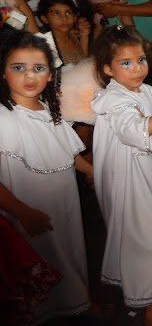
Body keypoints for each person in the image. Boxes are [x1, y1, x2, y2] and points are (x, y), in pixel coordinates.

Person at [0, 29, 111, 324]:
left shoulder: (48, 109)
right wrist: (21, 212)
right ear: (3, 72)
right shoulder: (3, 118)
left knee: (71, 252)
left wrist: (94, 172)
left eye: (39, 68)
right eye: (18, 67)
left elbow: (68, 153)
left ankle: (79, 301)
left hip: (65, 203)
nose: (30, 76)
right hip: (30, 211)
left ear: (51, 75)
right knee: (41, 261)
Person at [90, 25, 152, 326]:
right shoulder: (114, 100)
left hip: (143, 172)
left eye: (141, 60)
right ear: (107, 68)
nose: (137, 69)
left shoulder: (146, 90)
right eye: (125, 63)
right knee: (145, 235)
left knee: (138, 234)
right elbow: (135, 129)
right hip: (126, 179)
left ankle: (139, 289)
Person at [38, 0, 90, 65]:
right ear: (45, 19)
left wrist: (84, 37)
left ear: (75, 17)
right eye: (56, 14)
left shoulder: (74, 37)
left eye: (68, 13)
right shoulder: (45, 45)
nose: (64, 18)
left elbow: (84, 62)